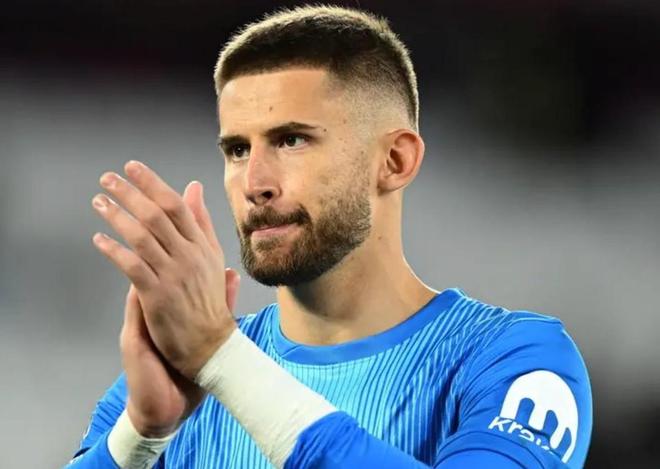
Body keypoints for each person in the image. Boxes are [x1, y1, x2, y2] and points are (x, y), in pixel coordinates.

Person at [66, 5, 592, 468]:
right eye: (238, 150)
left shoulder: (512, 360)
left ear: (395, 160)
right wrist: (141, 437)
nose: (255, 184)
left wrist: (223, 361)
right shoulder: (174, 383)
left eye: (292, 140)